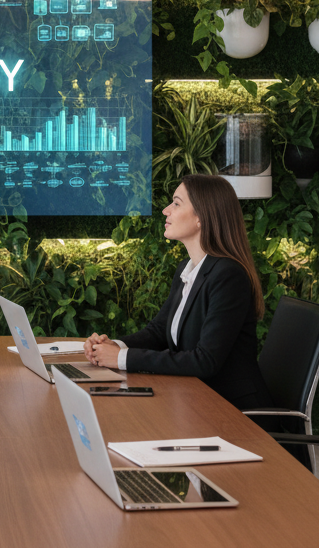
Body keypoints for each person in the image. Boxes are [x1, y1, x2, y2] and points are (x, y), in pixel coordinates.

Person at [83, 174, 273, 412]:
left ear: (201, 217)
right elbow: (158, 332)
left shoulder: (228, 276)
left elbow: (205, 361)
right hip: (193, 399)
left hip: (231, 411)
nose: (166, 210)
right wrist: (114, 346)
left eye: (176, 203)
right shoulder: (188, 268)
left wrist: (122, 358)